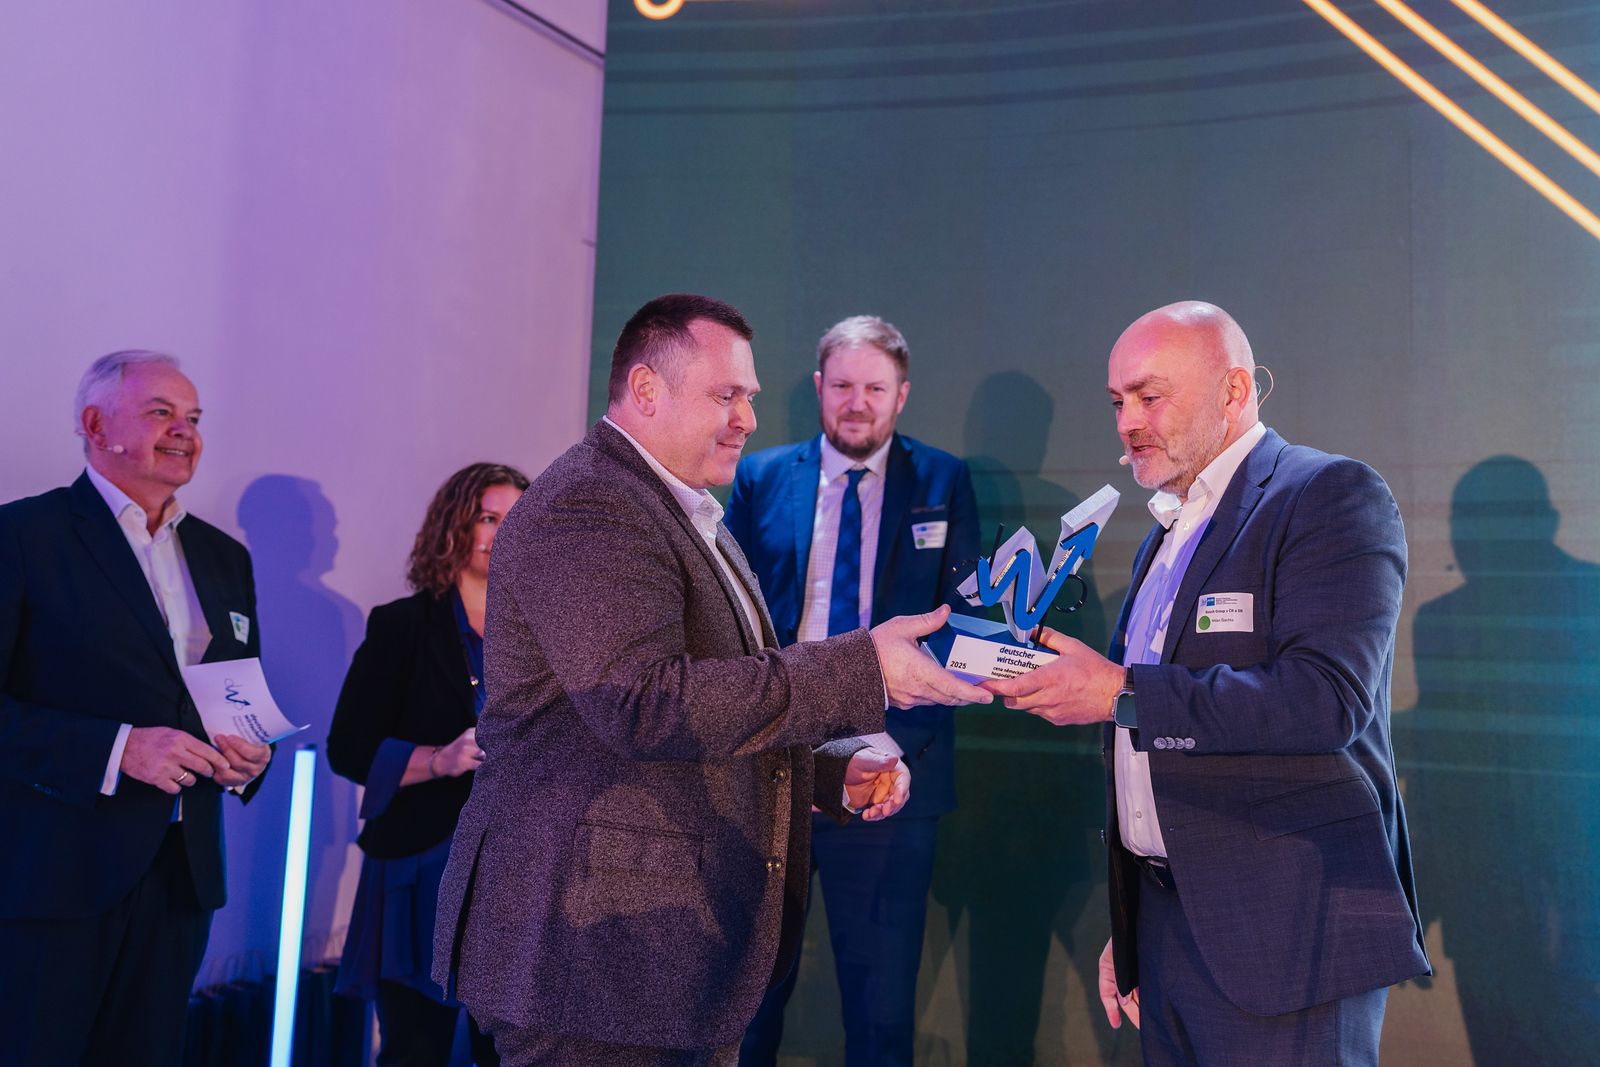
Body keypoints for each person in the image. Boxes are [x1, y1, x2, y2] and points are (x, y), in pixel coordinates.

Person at [431, 293, 991, 1066]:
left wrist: (826, 769)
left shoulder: (683, 509)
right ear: (646, 389)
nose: (748, 419)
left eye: (749, 397)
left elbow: (715, 692)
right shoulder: (591, 504)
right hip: (592, 960)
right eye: (726, 395)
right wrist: (862, 665)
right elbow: (645, 704)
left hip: (655, 959)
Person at [985, 302, 1429, 1065]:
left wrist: (1119, 692)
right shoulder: (1168, 530)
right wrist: (1135, 922)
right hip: (1169, 931)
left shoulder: (1327, 494)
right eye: (1117, 401)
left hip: (1289, 939)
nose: (1128, 421)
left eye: (1150, 396)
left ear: (1234, 390)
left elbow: (1324, 699)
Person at [0, 350, 273, 1066]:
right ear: (96, 426)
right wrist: (120, 748)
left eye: (193, 417)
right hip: (56, 875)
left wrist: (251, 755)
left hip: (182, 876)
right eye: (161, 413)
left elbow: (236, 693)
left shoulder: (224, 557)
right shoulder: (23, 537)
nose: (185, 431)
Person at [725, 315, 979, 1066]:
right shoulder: (761, 478)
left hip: (891, 773)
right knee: (746, 1008)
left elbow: (962, 624)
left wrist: (894, 748)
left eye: (874, 387)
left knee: (881, 1014)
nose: (857, 403)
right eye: (842, 386)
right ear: (818, 388)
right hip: (770, 766)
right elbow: (729, 620)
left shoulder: (944, 481)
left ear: (902, 395)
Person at [329, 462, 531, 1065]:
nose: (503, 532)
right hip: (422, 865)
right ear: (454, 528)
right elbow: (349, 749)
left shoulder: (548, 634)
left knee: (509, 1052)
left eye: (518, 518)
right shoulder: (403, 626)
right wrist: (438, 760)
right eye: (489, 518)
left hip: (522, 869)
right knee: (415, 1047)